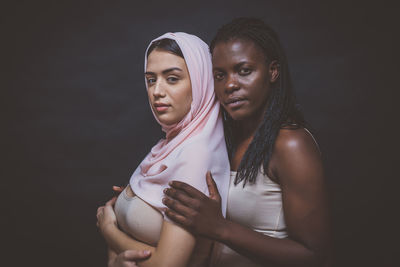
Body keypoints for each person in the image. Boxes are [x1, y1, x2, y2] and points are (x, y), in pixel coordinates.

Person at [161, 18, 332, 266]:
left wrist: (220, 228)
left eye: (244, 71)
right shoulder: (225, 139)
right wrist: (140, 200)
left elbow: (315, 255)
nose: (230, 85)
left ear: (272, 71)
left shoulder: (290, 144)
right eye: (220, 75)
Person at [96, 32, 230, 267]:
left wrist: (109, 230)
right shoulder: (170, 146)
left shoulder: (195, 154)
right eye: (151, 79)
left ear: (200, 82)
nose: (157, 91)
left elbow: (166, 264)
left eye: (172, 79)